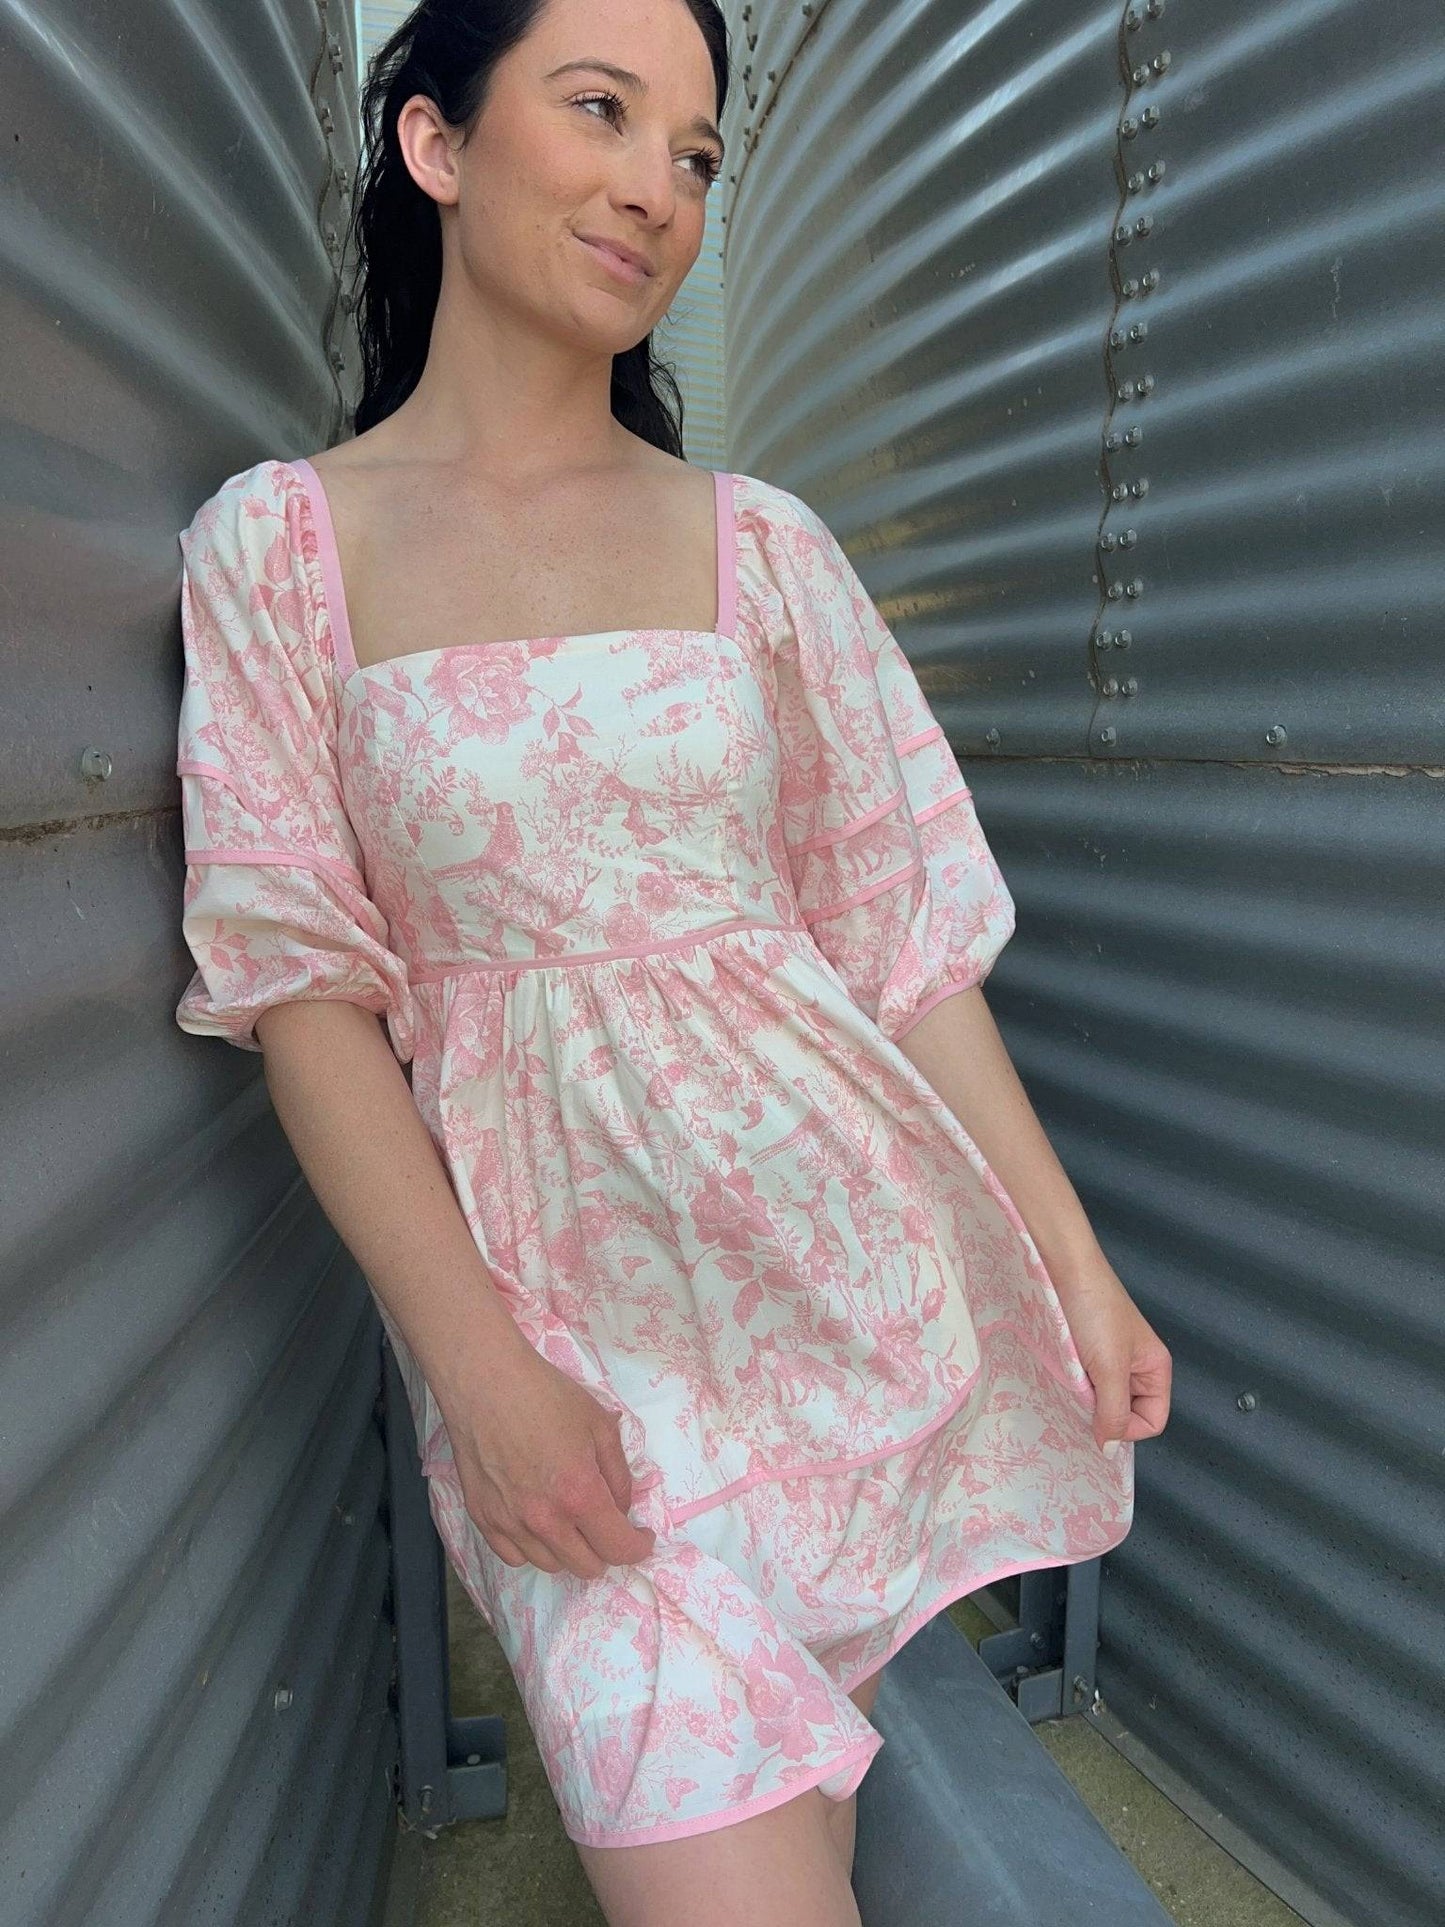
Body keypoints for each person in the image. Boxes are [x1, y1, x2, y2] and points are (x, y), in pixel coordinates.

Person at [170, 1, 1173, 1922]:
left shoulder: (764, 549)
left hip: (832, 1295)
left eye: (696, 154)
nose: (655, 188)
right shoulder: (278, 549)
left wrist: (1073, 1263)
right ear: (437, 145)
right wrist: (481, 1378)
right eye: (600, 111)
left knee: (796, 1845)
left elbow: (901, 940)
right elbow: (301, 992)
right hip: (565, 1351)